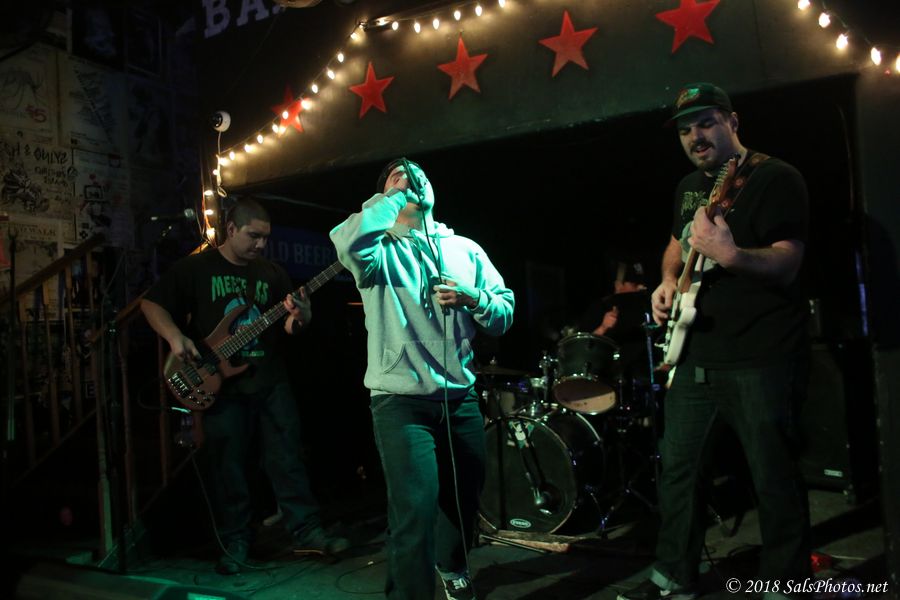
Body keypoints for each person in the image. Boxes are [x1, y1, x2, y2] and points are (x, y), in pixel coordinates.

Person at [619, 83, 811, 600]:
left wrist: (732, 255)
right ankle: (672, 578)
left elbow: (788, 261)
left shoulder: (775, 177)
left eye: (705, 123)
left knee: (773, 476)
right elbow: (676, 243)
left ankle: (787, 583)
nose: (695, 137)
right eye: (685, 130)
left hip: (760, 354)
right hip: (695, 355)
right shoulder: (688, 186)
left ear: (733, 122)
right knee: (679, 473)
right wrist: (667, 281)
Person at [330, 159, 514, 600]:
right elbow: (347, 239)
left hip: (460, 397)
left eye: (420, 175)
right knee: (414, 507)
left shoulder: (465, 249)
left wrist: (474, 298)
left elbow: (504, 312)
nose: (413, 179)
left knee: (463, 496)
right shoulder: (377, 252)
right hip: (400, 401)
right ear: (385, 195)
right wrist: (391, 197)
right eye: (398, 175)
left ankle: (452, 566)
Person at [141, 198, 349, 575]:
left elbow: (289, 327)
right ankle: (236, 540)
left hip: (269, 379)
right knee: (228, 466)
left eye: (266, 238)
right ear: (232, 229)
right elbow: (152, 304)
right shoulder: (196, 268)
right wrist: (175, 337)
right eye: (253, 236)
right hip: (219, 383)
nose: (260, 244)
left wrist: (302, 316)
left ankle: (307, 531)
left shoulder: (272, 273)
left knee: (287, 457)